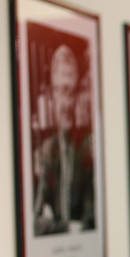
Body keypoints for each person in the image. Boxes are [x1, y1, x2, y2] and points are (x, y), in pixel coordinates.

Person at [33, 44, 95, 235]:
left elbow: (91, 220)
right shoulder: (46, 151)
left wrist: (54, 223)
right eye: (60, 91)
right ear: (52, 94)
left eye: (70, 92)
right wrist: (65, 227)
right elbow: (35, 223)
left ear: (77, 97)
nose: (66, 103)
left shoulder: (88, 149)